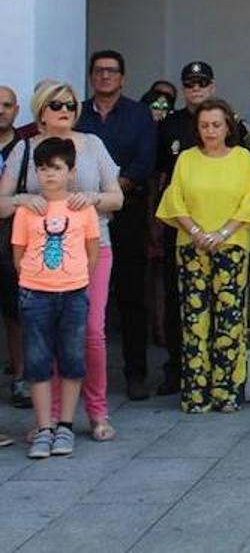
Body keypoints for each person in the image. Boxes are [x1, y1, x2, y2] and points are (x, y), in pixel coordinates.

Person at [1, 82, 123, 443]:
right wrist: (25, 198)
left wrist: (92, 197)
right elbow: (2, 201)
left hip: (92, 246)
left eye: (70, 103)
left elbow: (116, 197)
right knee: (47, 334)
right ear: (41, 111)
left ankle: (97, 411)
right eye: (56, 104)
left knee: (93, 332)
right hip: (42, 258)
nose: (65, 109)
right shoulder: (26, 149)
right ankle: (50, 418)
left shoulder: (92, 145)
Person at [155, 100, 250, 413]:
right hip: (192, 246)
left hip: (231, 245)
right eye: (204, 126)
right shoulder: (187, 159)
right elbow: (174, 199)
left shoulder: (242, 157)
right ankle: (195, 392)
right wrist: (196, 232)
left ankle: (227, 390)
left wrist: (223, 234)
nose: (210, 131)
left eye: (217, 125)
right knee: (194, 319)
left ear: (228, 127)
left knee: (230, 320)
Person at [75, 50, 157, 402]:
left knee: (131, 294)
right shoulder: (76, 113)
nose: (105, 76)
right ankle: (77, 376)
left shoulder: (138, 114)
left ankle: (135, 373)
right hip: (79, 217)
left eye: (112, 71)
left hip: (128, 213)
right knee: (79, 298)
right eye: (99, 71)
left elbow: (145, 161)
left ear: (123, 78)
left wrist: (111, 191)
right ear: (91, 76)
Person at [11, 138, 100, 459]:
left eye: (56, 168)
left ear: (71, 171)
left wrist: (75, 278)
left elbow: (92, 252)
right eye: (43, 168)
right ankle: (44, 427)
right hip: (36, 293)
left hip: (73, 292)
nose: (49, 175)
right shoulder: (27, 209)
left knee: (73, 359)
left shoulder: (83, 208)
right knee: (37, 360)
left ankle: (65, 425)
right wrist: (36, 279)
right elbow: (18, 255)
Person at [155, 60, 218, 396]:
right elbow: (159, 175)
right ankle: (177, 367)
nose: (196, 89)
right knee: (176, 296)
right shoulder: (169, 125)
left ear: (213, 86)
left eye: (202, 83)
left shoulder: (227, 122)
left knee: (219, 301)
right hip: (180, 225)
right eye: (190, 84)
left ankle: (216, 367)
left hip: (221, 227)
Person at [0, 84, 36, 408]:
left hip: (11, 237)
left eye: (7, 105)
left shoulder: (24, 150)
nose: (1, 110)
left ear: (16, 111)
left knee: (16, 313)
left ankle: (21, 378)